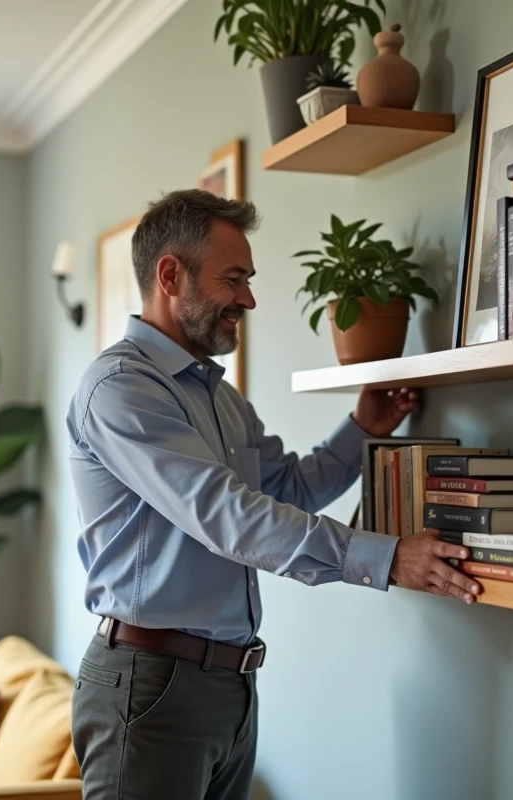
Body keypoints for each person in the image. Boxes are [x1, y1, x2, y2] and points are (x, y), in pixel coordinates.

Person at [65, 190, 482, 800]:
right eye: (233, 279)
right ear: (170, 275)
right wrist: (387, 557)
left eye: (248, 279)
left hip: (231, 685)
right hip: (149, 686)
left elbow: (286, 488)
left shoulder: (221, 399)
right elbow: (229, 517)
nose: (248, 298)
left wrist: (363, 427)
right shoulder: (121, 389)